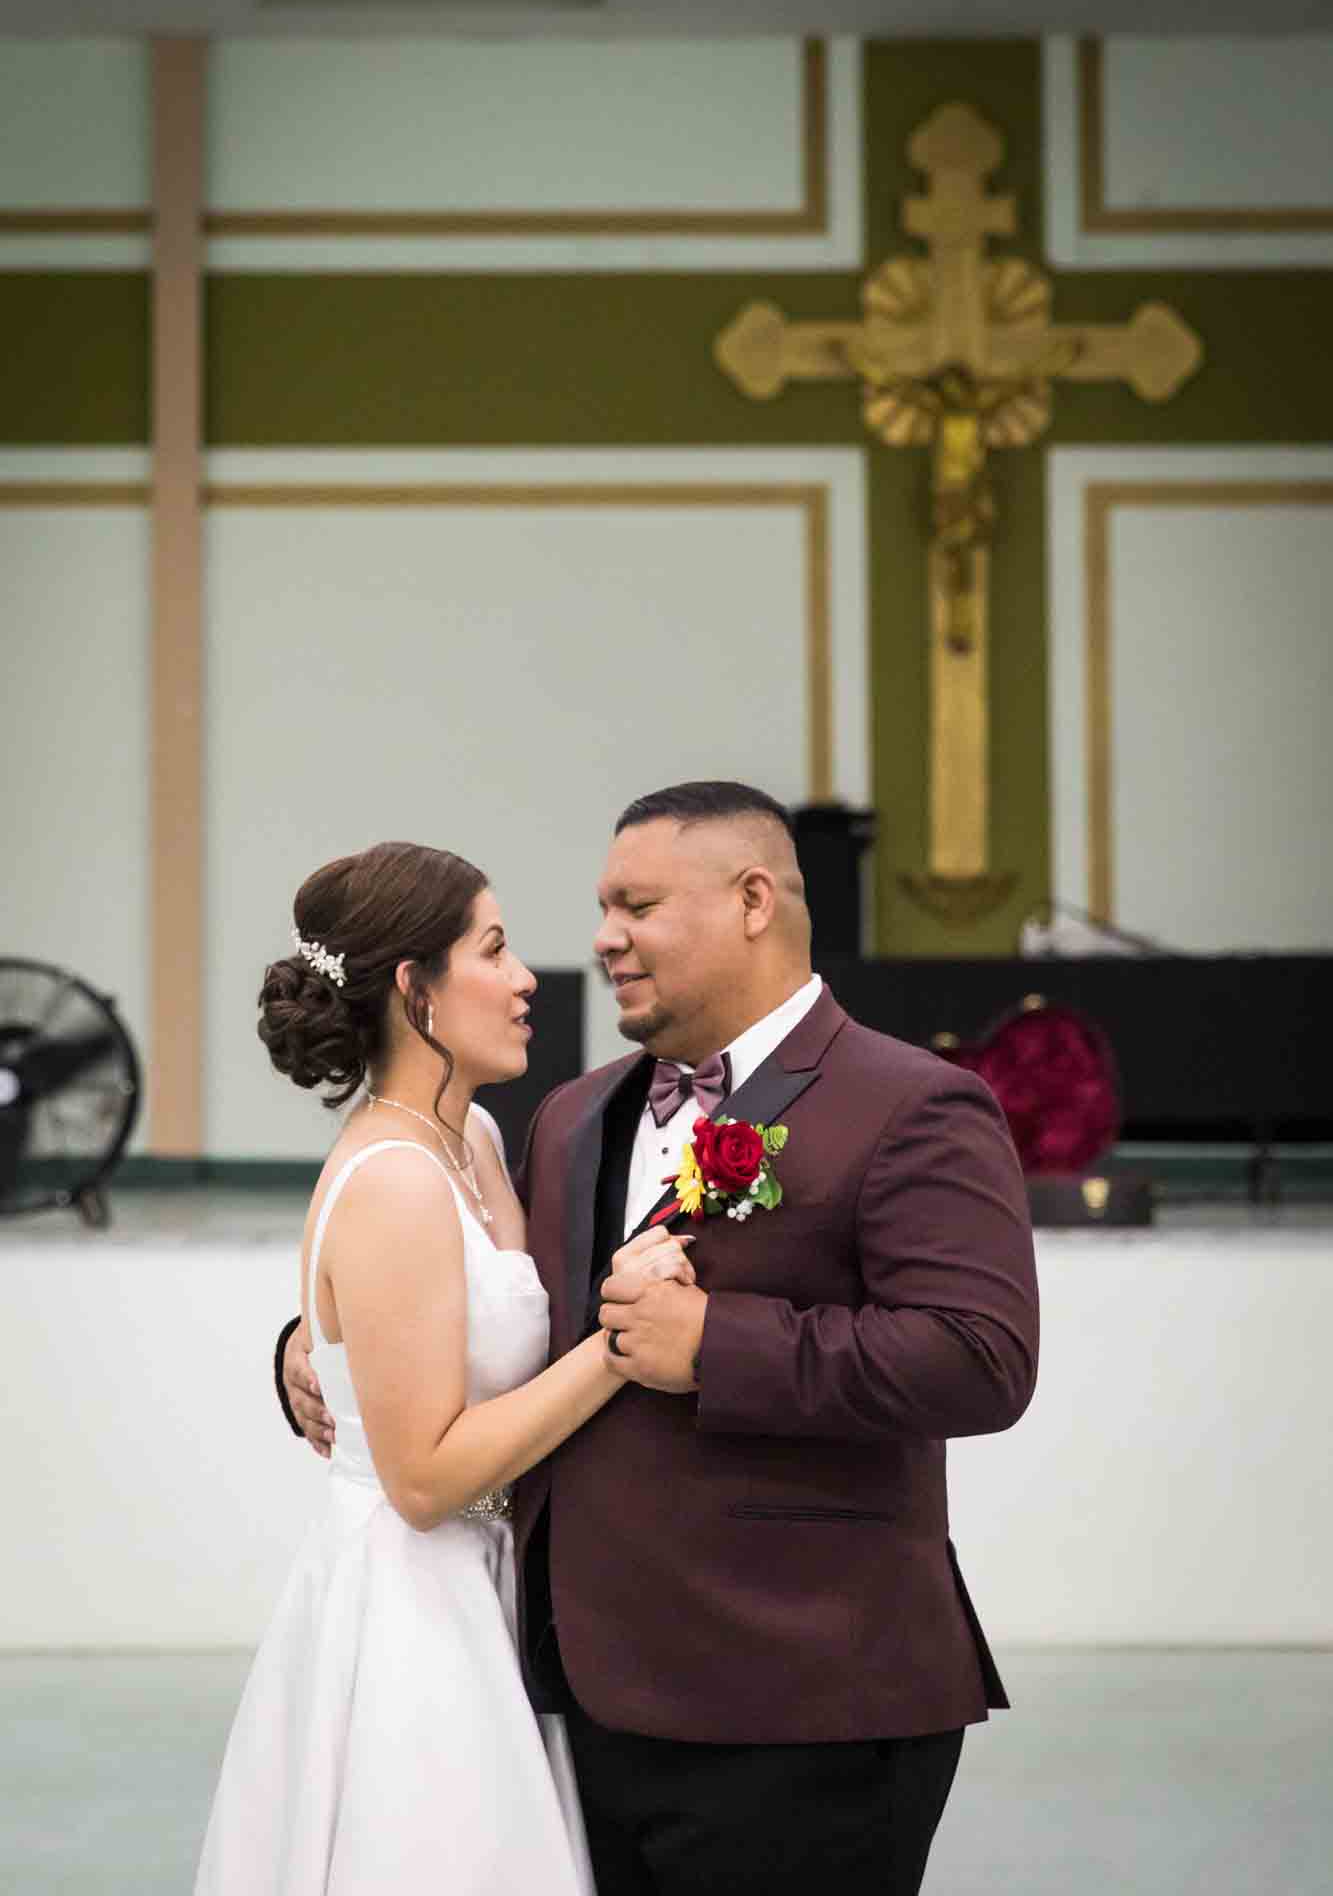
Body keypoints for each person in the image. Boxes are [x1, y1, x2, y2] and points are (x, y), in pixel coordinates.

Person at [282, 783, 1040, 1896]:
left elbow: (980, 1357)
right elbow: (491, 1301)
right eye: (601, 905)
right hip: (572, 1698)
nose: (600, 939)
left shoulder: (913, 1103)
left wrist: (718, 1342)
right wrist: (318, 1338)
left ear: (750, 901)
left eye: (635, 905)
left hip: (802, 1703)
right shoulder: (570, 1112)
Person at [196, 839, 692, 1895]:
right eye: (496, 949)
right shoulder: (393, 1178)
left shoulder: (466, 1136)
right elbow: (422, 1479)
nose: (524, 980)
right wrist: (621, 1344)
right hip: (410, 1613)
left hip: (486, 1579)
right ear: (416, 989)